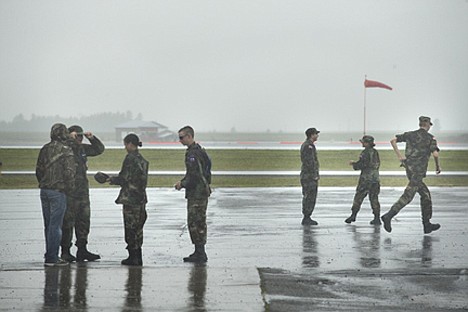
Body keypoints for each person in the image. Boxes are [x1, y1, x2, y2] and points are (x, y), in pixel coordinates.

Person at [381, 116, 441, 234]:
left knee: (426, 196)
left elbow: (393, 141)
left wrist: (400, 157)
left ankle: (427, 224)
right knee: (408, 196)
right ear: (428, 125)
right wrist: (438, 167)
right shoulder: (430, 138)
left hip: (409, 169)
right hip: (418, 172)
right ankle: (388, 216)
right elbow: (435, 154)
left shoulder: (410, 135)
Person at [61, 125, 105, 262]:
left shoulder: (82, 149)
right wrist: (70, 139)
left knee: (84, 222)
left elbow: (99, 149)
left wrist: (92, 138)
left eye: (81, 136)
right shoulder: (65, 148)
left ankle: (82, 250)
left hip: (82, 192)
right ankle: (65, 251)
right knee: (67, 223)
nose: (79, 138)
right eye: (77, 136)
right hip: (69, 192)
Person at [36, 123, 76, 266]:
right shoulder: (66, 150)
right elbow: (70, 173)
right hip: (58, 192)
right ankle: (52, 257)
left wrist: (44, 183)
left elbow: (38, 170)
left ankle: (49, 254)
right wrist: (69, 189)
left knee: (48, 225)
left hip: (44, 190)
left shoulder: (45, 149)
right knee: (56, 226)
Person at [109, 134, 149, 266]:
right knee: (138, 228)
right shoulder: (142, 160)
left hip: (131, 199)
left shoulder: (130, 159)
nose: (125, 147)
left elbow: (124, 178)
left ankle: (133, 257)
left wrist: (110, 179)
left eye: (125, 144)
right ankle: (138, 256)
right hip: (141, 198)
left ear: (130, 144)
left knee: (130, 228)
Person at [175, 126, 211, 263]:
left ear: (189, 136)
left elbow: (194, 175)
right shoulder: (199, 151)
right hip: (201, 191)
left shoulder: (193, 154)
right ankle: (199, 251)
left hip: (197, 193)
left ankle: (200, 253)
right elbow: (207, 169)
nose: (180, 140)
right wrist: (207, 184)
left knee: (195, 222)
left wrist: (182, 184)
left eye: (182, 137)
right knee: (198, 221)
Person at [345, 135, 381, 225]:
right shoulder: (375, 152)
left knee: (359, 197)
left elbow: (361, 165)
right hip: (375, 179)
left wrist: (354, 164)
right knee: (374, 198)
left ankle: (353, 215)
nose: (362, 143)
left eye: (364, 142)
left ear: (367, 143)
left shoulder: (365, 153)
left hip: (366, 179)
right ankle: (377, 218)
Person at [300, 127, 320, 225]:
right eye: (316, 134)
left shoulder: (309, 145)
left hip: (308, 175)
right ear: (312, 135)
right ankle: (306, 217)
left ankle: (307, 216)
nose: (317, 136)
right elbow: (310, 162)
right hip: (309, 176)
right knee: (309, 196)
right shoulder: (308, 146)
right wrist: (314, 175)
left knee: (310, 196)